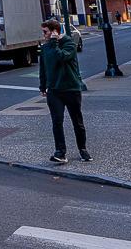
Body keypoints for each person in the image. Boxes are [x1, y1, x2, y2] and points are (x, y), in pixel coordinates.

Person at [39, 18, 90, 164]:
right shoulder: (45, 47)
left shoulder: (69, 43)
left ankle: (83, 149)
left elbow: (61, 57)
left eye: (46, 32)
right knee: (57, 121)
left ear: (55, 32)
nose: (44, 35)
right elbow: (44, 68)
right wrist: (42, 86)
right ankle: (60, 152)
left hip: (71, 88)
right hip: (54, 90)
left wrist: (54, 42)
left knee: (77, 121)